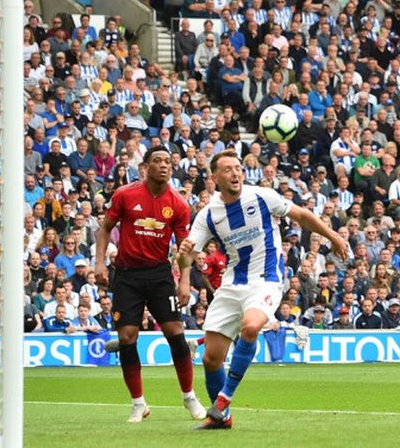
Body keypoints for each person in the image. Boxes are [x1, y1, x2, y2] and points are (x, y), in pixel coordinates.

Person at [177, 149, 349, 430]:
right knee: (211, 358)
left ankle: (222, 401)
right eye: (229, 169)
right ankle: (223, 419)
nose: (236, 174)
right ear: (215, 177)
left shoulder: (261, 196)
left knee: (251, 326)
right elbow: (185, 257)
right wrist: (182, 255)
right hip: (232, 284)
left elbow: (302, 215)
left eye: (239, 168)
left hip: (266, 279)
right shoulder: (208, 215)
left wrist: (333, 237)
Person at [95, 145, 205, 423]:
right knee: (127, 337)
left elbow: (184, 247)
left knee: (175, 334)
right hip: (127, 275)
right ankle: (138, 403)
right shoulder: (125, 195)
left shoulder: (178, 204)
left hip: (158, 275)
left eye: (168, 161)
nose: (164, 165)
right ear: (145, 167)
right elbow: (105, 228)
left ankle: (189, 397)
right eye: (157, 161)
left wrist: (184, 283)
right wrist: (99, 263)